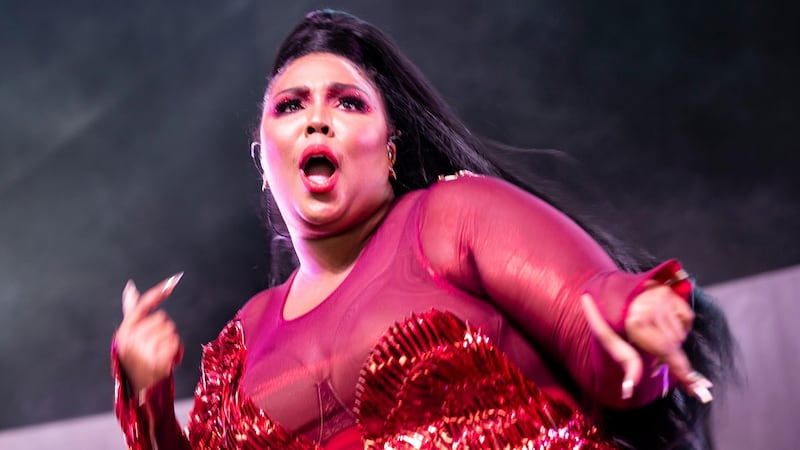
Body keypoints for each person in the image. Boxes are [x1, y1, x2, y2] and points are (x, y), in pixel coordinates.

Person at [112, 9, 734, 450]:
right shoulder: (244, 337)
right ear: (263, 153)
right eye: (290, 104)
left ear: (389, 149)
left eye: (348, 102)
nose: (317, 120)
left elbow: (594, 317)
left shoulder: (453, 218)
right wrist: (148, 399)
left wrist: (639, 311)